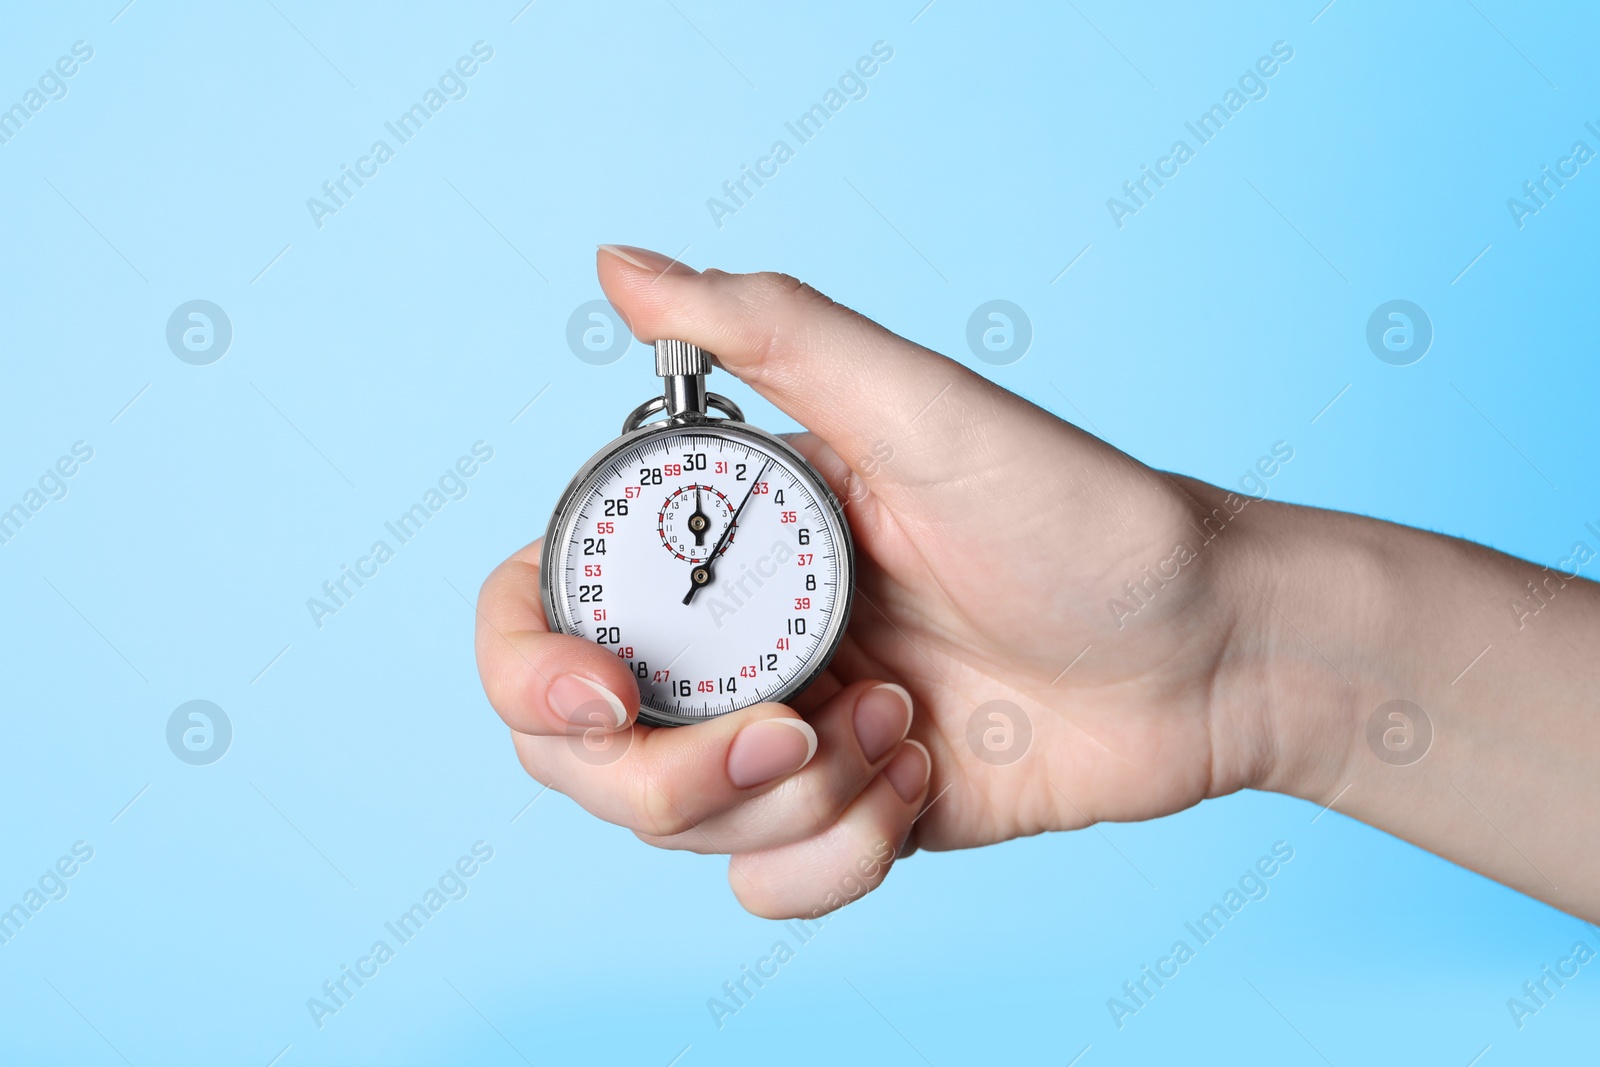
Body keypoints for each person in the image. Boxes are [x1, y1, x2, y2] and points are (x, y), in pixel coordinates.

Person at [475, 244, 1600, 923]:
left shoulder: (751, 519)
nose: (707, 564)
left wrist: (1231, 648)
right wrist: (1232, 646)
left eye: (715, 539)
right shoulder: (634, 535)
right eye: (688, 552)